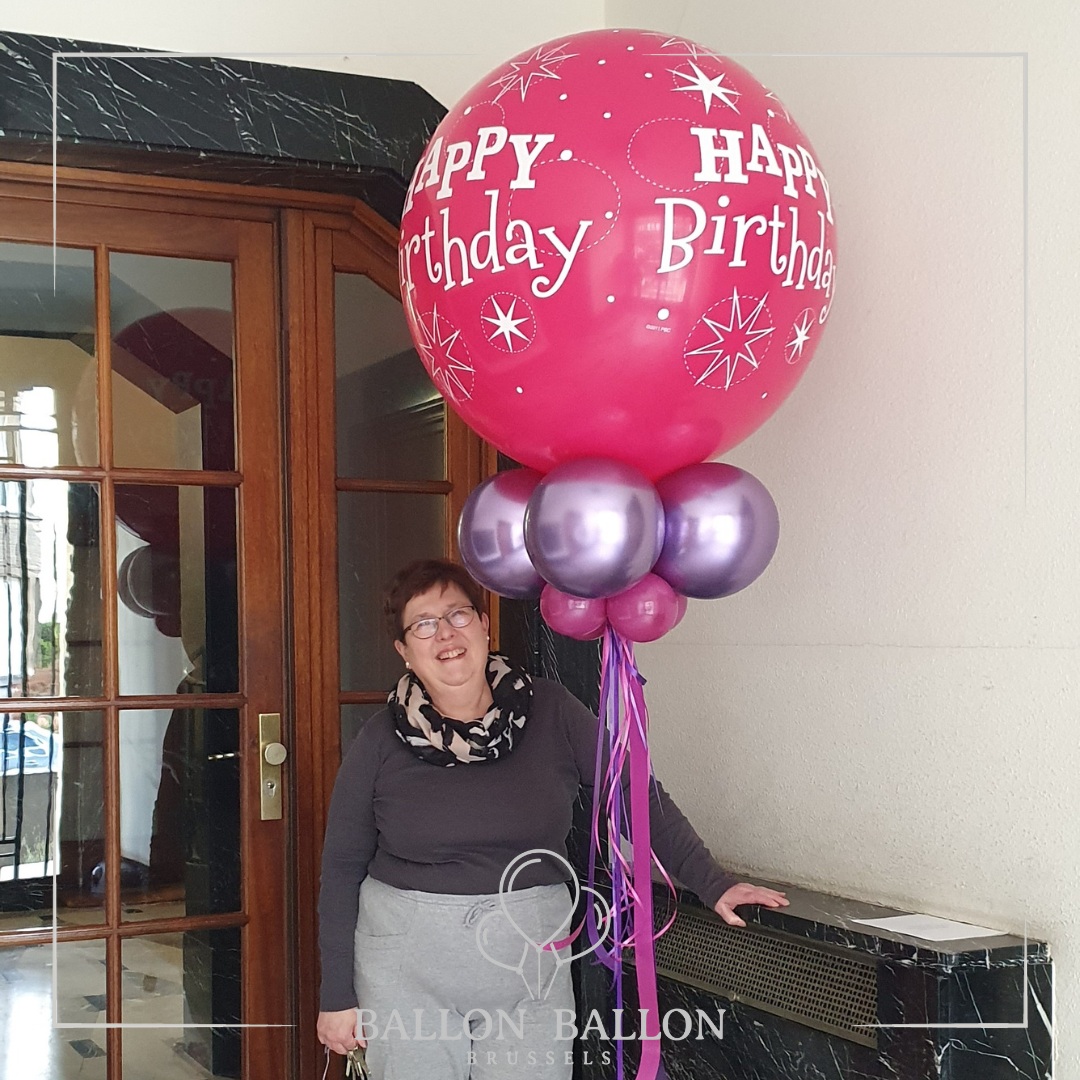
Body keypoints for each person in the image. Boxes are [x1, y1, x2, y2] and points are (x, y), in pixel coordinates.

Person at [317, 558, 787, 1078]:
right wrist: (336, 996)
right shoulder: (380, 740)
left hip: (529, 965)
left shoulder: (552, 710)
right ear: (404, 651)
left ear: (484, 624)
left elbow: (631, 793)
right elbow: (341, 868)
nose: (445, 633)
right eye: (423, 624)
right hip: (407, 970)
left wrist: (713, 882)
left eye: (458, 614)